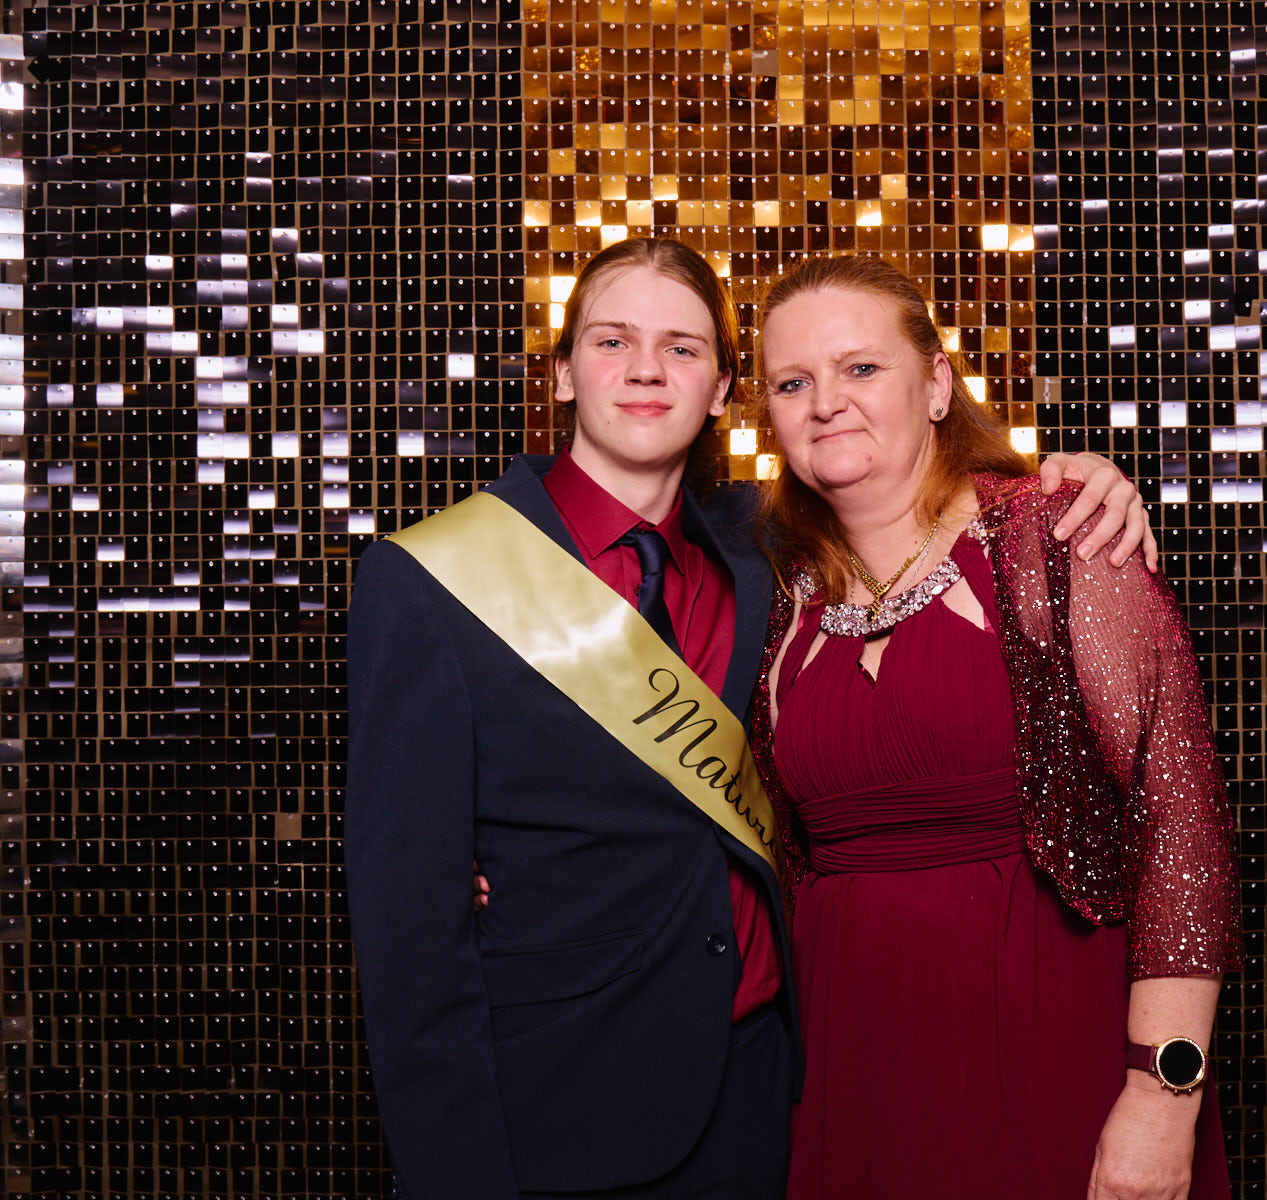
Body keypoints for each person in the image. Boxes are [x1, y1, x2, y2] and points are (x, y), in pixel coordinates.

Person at [345, 236, 1157, 1200]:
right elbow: (408, 938)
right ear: (561, 373)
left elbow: (908, 494)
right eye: (612, 341)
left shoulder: (766, 549)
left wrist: (1074, 482)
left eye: (683, 348)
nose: (647, 369)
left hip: (773, 1099)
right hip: (560, 1109)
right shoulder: (434, 581)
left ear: (725, 392)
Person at [748, 254, 1244, 1200]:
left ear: (937, 385)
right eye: (792, 382)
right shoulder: (779, 590)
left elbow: (1182, 826)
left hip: (1049, 1036)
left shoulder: (1058, 538)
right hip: (852, 1067)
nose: (826, 403)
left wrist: (1163, 1089)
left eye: (861, 368)